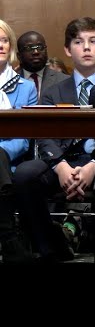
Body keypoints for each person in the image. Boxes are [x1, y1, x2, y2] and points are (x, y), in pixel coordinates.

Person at [13, 17, 95, 263]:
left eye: (93, 41)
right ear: (67, 50)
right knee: (25, 174)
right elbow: (43, 134)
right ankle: (52, 249)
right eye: (78, 42)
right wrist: (60, 166)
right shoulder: (53, 91)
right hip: (61, 161)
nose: (86, 47)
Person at [0, 19, 37, 262]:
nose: (0, 45)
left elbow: (24, 139)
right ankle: (8, 236)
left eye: (4, 40)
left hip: (8, 163)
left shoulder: (26, 88)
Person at [17, 31, 69, 102]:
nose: (36, 52)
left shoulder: (64, 81)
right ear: (19, 56)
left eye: (40, 47)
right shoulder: (10, 81)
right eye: (29, 48)